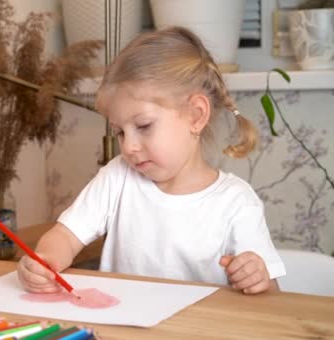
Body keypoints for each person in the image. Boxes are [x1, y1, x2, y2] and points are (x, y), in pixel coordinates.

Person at [17, 27, 286, 295]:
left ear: (196, 115)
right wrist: (46, 260)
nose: (129, 147)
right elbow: (64, 236)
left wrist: (257, 278)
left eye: (144, 126)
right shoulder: (117, 177)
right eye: (120, 132)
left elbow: (271, 296)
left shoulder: (236, 202)